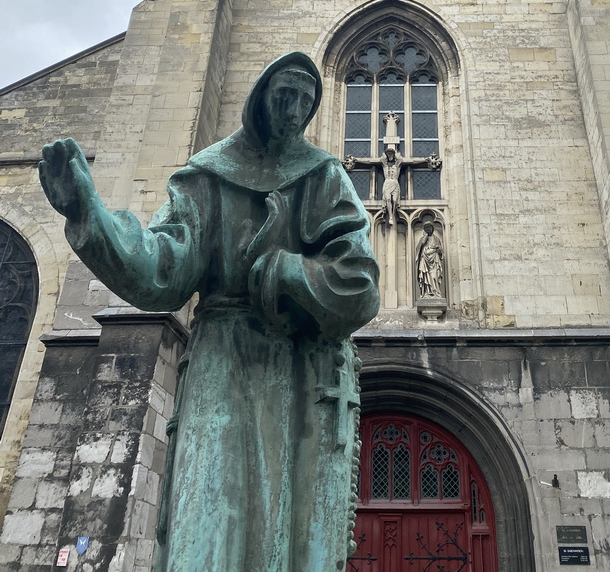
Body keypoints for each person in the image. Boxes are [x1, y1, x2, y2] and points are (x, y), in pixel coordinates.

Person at [39, 53, 380, 572]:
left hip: (297, 367)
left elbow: (359, 282)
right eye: (285, 96)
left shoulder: (324, 177)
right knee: (206, 515)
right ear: (260, 98)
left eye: (305, 102)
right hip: (221, 358)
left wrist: (288, 273)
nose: (294, 111)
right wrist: (92, 216)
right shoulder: (206, 177)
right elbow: (161, 269)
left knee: (287, 532)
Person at [416, 221, 444, 298]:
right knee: (425, 276)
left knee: (434, 276)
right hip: (424, 260)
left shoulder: (436, 239)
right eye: (426, 228)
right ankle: (426, 293)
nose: (427, 229)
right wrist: (423, 241)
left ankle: (436, 293)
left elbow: (441, 252)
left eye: (429, 227)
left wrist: (439, 251)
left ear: (432, 228)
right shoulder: (422, 239)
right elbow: (418, 250)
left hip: (435, 260)